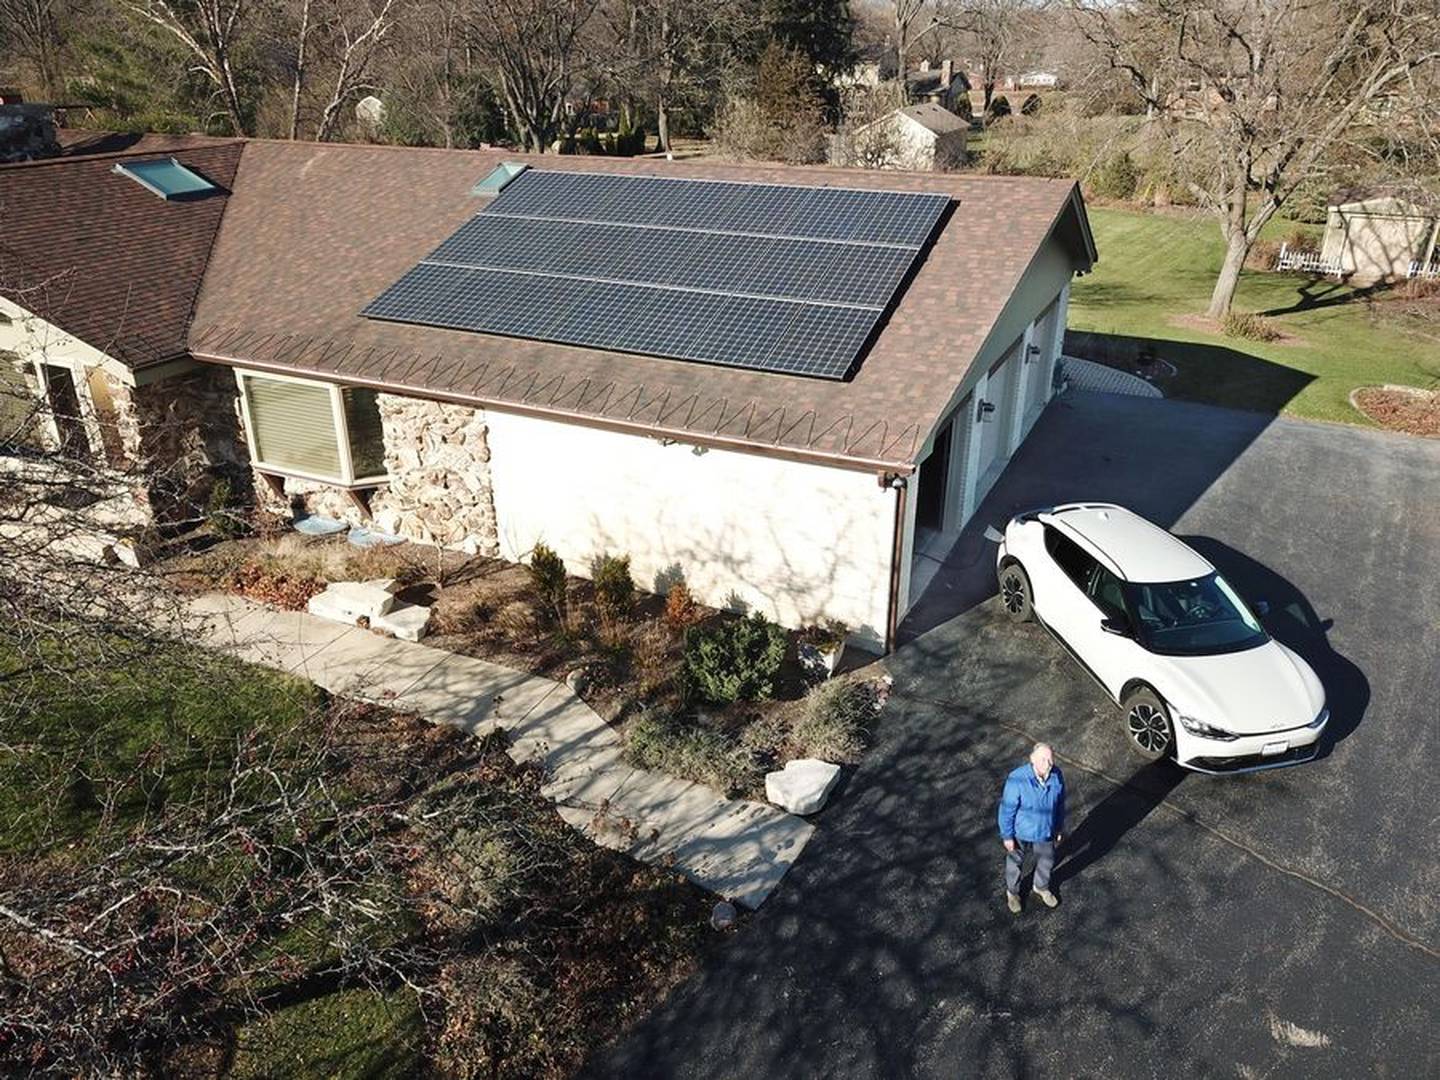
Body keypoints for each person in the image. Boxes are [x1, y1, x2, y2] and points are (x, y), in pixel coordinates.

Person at [997, 742, 1065, 914]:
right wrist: (1007, 836)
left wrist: (1058, 827)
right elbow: (1007, 810)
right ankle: (1013, 893)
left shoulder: (1057, 776)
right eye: (1043, 759)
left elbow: (1060, 805)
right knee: (1015, 863)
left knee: (1047, 860)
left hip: (1045, 830)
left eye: (1050, 759)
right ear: (1032, 759)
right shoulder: (1017, 778)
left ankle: (1040, 886)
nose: (1048, 763)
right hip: (1020, 832)